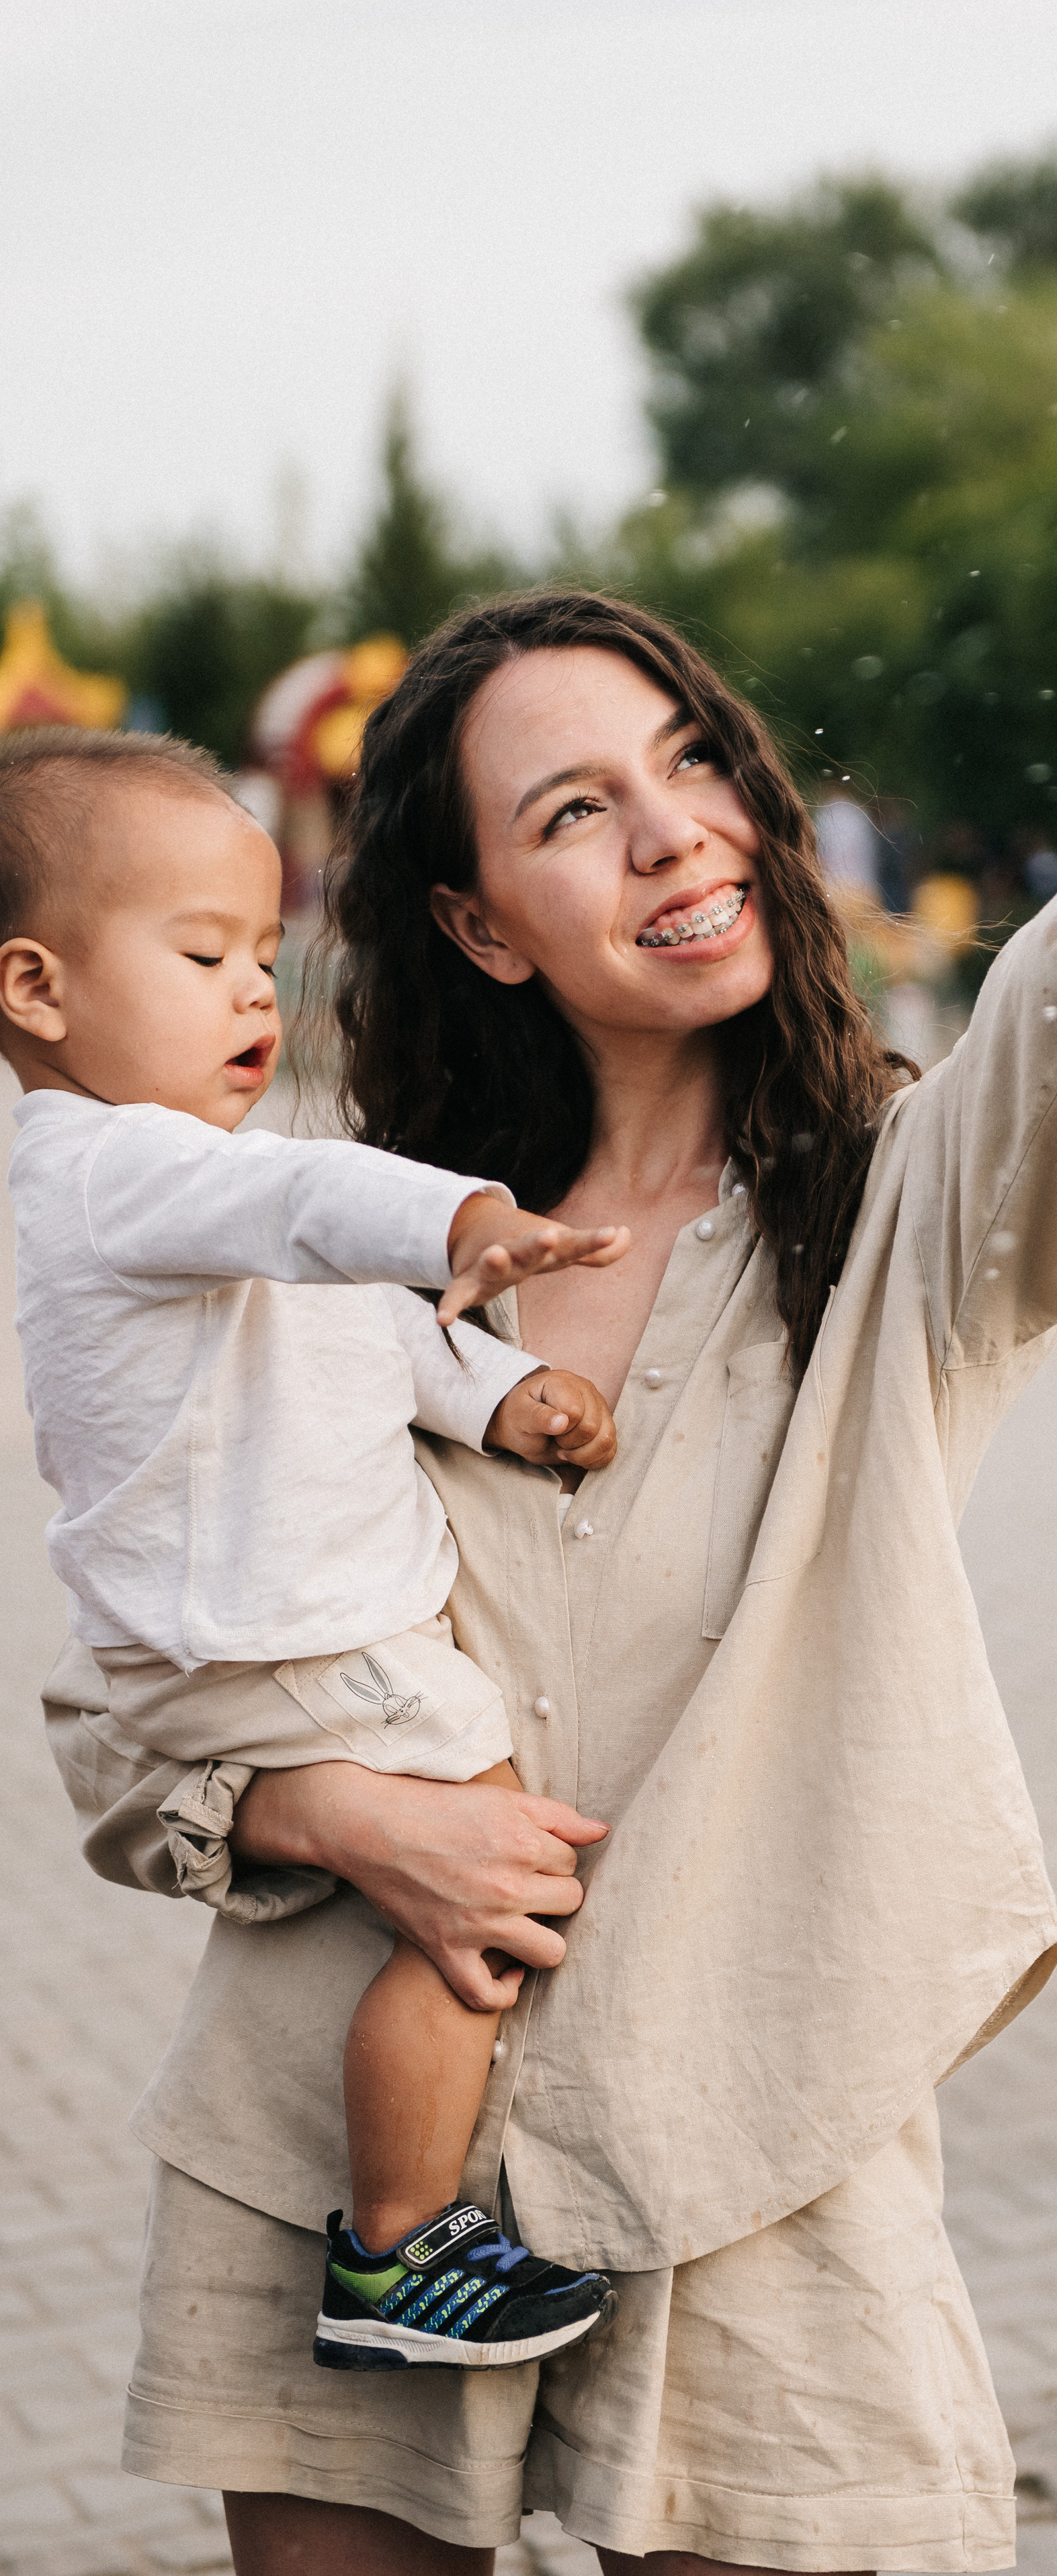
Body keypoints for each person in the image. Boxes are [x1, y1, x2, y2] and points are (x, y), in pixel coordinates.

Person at [46, 585, 1057, 2572]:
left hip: (755, 2129)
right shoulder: (341, 1251)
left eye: (689, 766)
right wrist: (335, 1810)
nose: (671, 832)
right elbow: (123, 1696)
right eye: (572, 812)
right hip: (333, 2154)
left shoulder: (901, 1209)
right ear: (480, 924)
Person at [0, 728, 628, 2370]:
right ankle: (397, 2241)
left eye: (266, 955)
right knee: (495, 1872)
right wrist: (467, 1222)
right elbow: (313, 1208)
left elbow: (362, 1327)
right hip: (273, 1644)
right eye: (202, 953)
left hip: (256, 1637)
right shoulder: (106, 1164)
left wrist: (501, 1397)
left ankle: (403, 2226)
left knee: (478, 1874)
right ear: (36, 988)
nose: (254, 994)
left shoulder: (185, 1193)